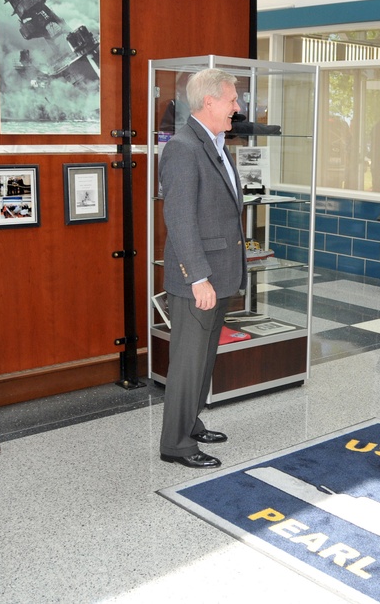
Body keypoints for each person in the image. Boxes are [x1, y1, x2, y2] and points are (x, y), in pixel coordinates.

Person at [158, 68, 246, 469]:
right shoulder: (182, 148)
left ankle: (190, 423)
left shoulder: (215, 143)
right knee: (188, 362)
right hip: (199, 278)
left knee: (203, 359)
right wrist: (198, 277)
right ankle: (175, 443)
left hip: (218, 272)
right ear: (209, 102)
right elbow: (179, 221)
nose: (237, 107)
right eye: (232, 100)